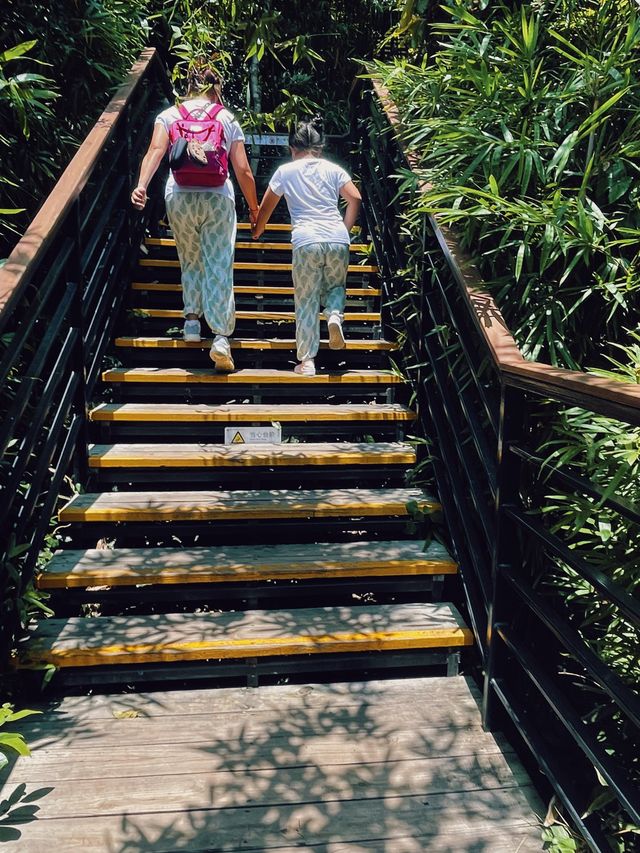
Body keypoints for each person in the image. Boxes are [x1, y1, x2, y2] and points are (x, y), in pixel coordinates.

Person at [131, 69, 258, 372]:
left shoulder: (169, 114)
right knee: (218, 261)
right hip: (217, 197)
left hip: (180, 195)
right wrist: (254, 209)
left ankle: (191, 322)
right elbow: (242, 170)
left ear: (187, 87)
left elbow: (156, 150)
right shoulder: (226, 117)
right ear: (216, 89)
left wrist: (141, 185)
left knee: (190, 258)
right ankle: (220, 337)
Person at [252, 119, 362, 376]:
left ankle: (308, 361)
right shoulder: (334, 169)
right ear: (319, 148)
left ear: (293, 148)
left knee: (307, 299)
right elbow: (355, 198)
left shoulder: (285, 172)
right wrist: (344, 231)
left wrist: (257, 231)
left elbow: (266, 207)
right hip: (337, 237)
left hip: (306, 241)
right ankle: (334, 315)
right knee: (335, 287)